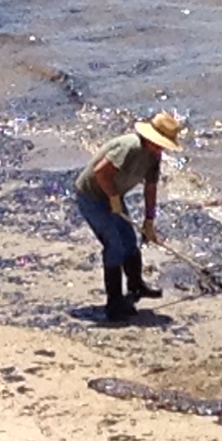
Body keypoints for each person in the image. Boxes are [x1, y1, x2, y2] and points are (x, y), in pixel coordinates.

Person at [75, 111, 185, 321]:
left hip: (113, 195)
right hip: (92, 196)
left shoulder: (154, 156)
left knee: (129, 241)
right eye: (159, 143)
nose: (161, 148)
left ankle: (136, 286)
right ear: (149, 138)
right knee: (114, 245)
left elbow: (150, 188)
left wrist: (149, 221)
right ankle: (114, 303)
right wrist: (114, 198)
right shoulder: (130, 147)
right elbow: (101, 172)